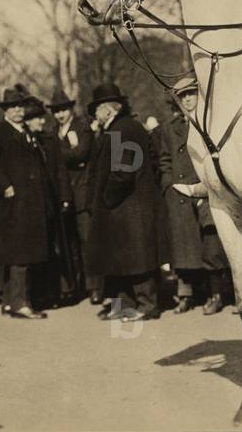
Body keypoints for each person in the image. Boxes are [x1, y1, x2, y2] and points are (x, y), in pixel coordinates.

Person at [87, 83, 170, 322]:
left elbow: (123, 172)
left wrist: (106, 199)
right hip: (128, 205)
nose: (94, 115)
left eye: (97, 110)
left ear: (109, 110)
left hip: (128, 205)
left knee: (137, 257)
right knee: (126, 257)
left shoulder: (121, 130)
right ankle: (125, 304)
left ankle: (147, 305)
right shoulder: (123, 128)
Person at [0, 86, 51, 320]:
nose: (17, 110)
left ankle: (10, 301)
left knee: (21, 251)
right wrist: (3, 185)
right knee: (18, 253)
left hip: (29, 203)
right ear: (5, 110)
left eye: (20, 106)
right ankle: (19, 303)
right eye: (12, 107)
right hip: (13, 203)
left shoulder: (26, 132)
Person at [156, 77, 230, 316]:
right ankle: (185, 295)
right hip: (179, 193)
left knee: (212, 248)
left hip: (208, 190)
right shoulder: (169, 128)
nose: (187, 99)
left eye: (191, 94)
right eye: (182, 96)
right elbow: (164, 159)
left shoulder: (212, 123)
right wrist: (169, 184)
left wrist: (210, 186)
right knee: (183, 249)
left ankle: (216, 294)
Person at [24, 98, 78, 307]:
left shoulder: (50, 140)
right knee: (38, 251)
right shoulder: (24, 142)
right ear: (27, 122)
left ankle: (57, 293)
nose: (41, 122)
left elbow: (61, 172)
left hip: (52, 203)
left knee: (56, 250)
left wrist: (65, 198)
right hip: (33, 206)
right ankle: (37, 295)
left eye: (41, 118)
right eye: (36, 118)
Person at [47, 90, 95, 301]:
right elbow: (72, 157)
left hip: (82, 192)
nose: (60, 115)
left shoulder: (82, 127)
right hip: (63, 194)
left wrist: (57, 157)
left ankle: (95, 288)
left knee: (87, 241)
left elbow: (82, 153)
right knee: (68, 243)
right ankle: (75, 287)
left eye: (63, 110)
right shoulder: (52, 131)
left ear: (71, 109)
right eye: (56, 111)